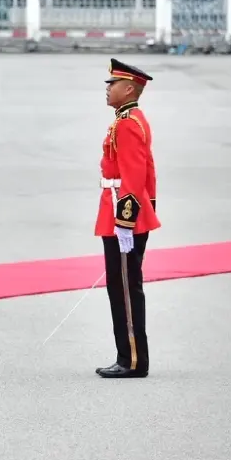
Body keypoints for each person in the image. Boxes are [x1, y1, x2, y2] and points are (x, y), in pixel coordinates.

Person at [94, 58, 160, 379]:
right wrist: (147, 209)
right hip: (123, 211)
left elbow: (134, 176)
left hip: (123, 216)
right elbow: (149, 173)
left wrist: (126, 222)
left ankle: (132, 360)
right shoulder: (130, 119)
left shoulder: (127, 124)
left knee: (124, 290)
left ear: (129, 89)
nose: (107, 89)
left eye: (113, 84)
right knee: (122, 287)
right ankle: (129, 356)